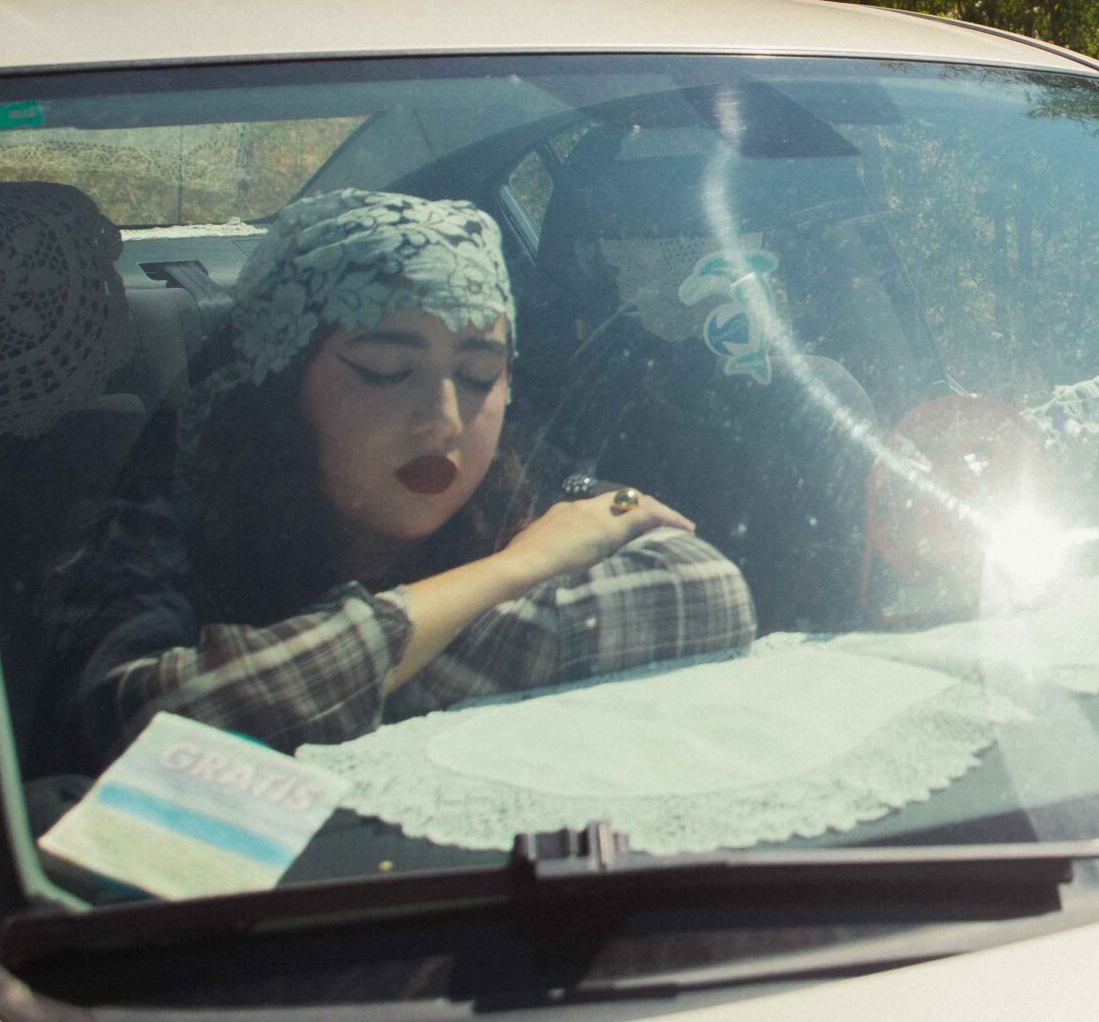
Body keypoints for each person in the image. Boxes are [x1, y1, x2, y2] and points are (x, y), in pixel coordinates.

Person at [40, 189, 757, 768]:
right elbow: (141, 722)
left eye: (479, 375)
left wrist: (298, 693)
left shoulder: (528, 488)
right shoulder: (158, 517)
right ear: (281, 387)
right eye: (387, 370)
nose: (442, 420)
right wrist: (512, 571)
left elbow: (702, 587)